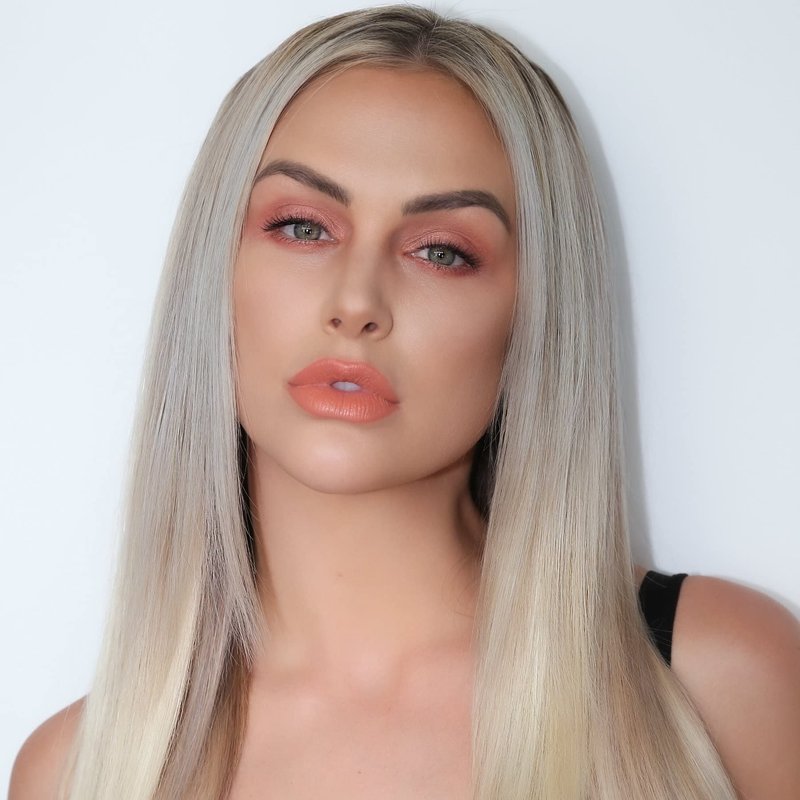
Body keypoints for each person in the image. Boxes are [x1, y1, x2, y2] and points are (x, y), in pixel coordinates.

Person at [9, 5, 800, 799]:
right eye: (303, 228)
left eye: (441, 252)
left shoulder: (714, 679)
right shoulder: (75, 774)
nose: (357, 302)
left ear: (533, 316)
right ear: (214, 266)